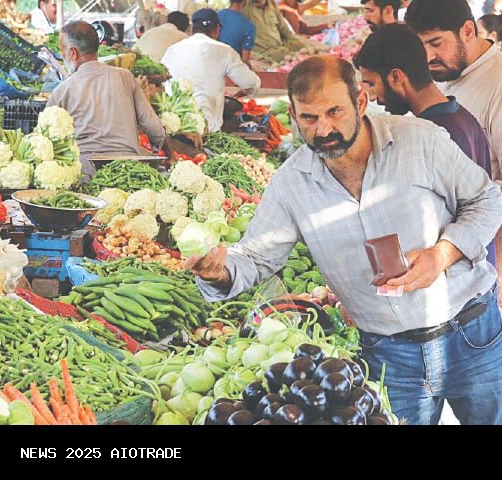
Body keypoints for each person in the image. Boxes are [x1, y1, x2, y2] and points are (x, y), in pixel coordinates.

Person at [186, 55, 502, 425]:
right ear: (293, 114)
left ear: (361, 102)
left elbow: (487, 199)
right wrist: (217, 272)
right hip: (389, 355)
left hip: (472, 334)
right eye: (309, 118)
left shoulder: (420, 141)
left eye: (335, 112)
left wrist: (442, 254)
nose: (324, 129)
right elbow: (255, 257)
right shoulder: (291, 183)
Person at [354, 23, 496, 268]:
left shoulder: (434, 136)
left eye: (372, 84)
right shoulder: (461, 116)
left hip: (461, 286)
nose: (374, 97)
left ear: (396, 77)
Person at [405, 0, 502, 293]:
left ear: (468, 31)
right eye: (420, 46)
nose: (428, 57)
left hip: (485, 258)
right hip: (453, 255)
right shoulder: (447, 73)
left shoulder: (497, 82)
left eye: (436, 43)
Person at [47, 21, 166, 177]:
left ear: (73, 53)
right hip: (128, 170)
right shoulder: (125, 77)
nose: (62, 56)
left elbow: (47, 140)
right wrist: (157, 150)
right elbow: (154, 127)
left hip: (86, 173)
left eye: (62, 51)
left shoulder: (61, 91)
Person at [162, 8, 261, 132]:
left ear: (192, 29)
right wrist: (250, 89)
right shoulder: (225, 51)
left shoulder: (172, 49)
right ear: (217, 30)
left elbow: (162, 82)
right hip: (208, 127)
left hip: (173, 124)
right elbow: (250, 82)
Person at [243, 0, 308, 62]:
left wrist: (299, 43)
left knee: (308, 48)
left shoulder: (272, 4)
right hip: (264, 52)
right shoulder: (244, 7)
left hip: (280, 45)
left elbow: (285, 30)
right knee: (298, 58)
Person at [217, 0, 256, 65]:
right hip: (232, 68)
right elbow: (245, 61)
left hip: (212, 64)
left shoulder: (215, 16)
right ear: (244, 2)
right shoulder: (249, 26)